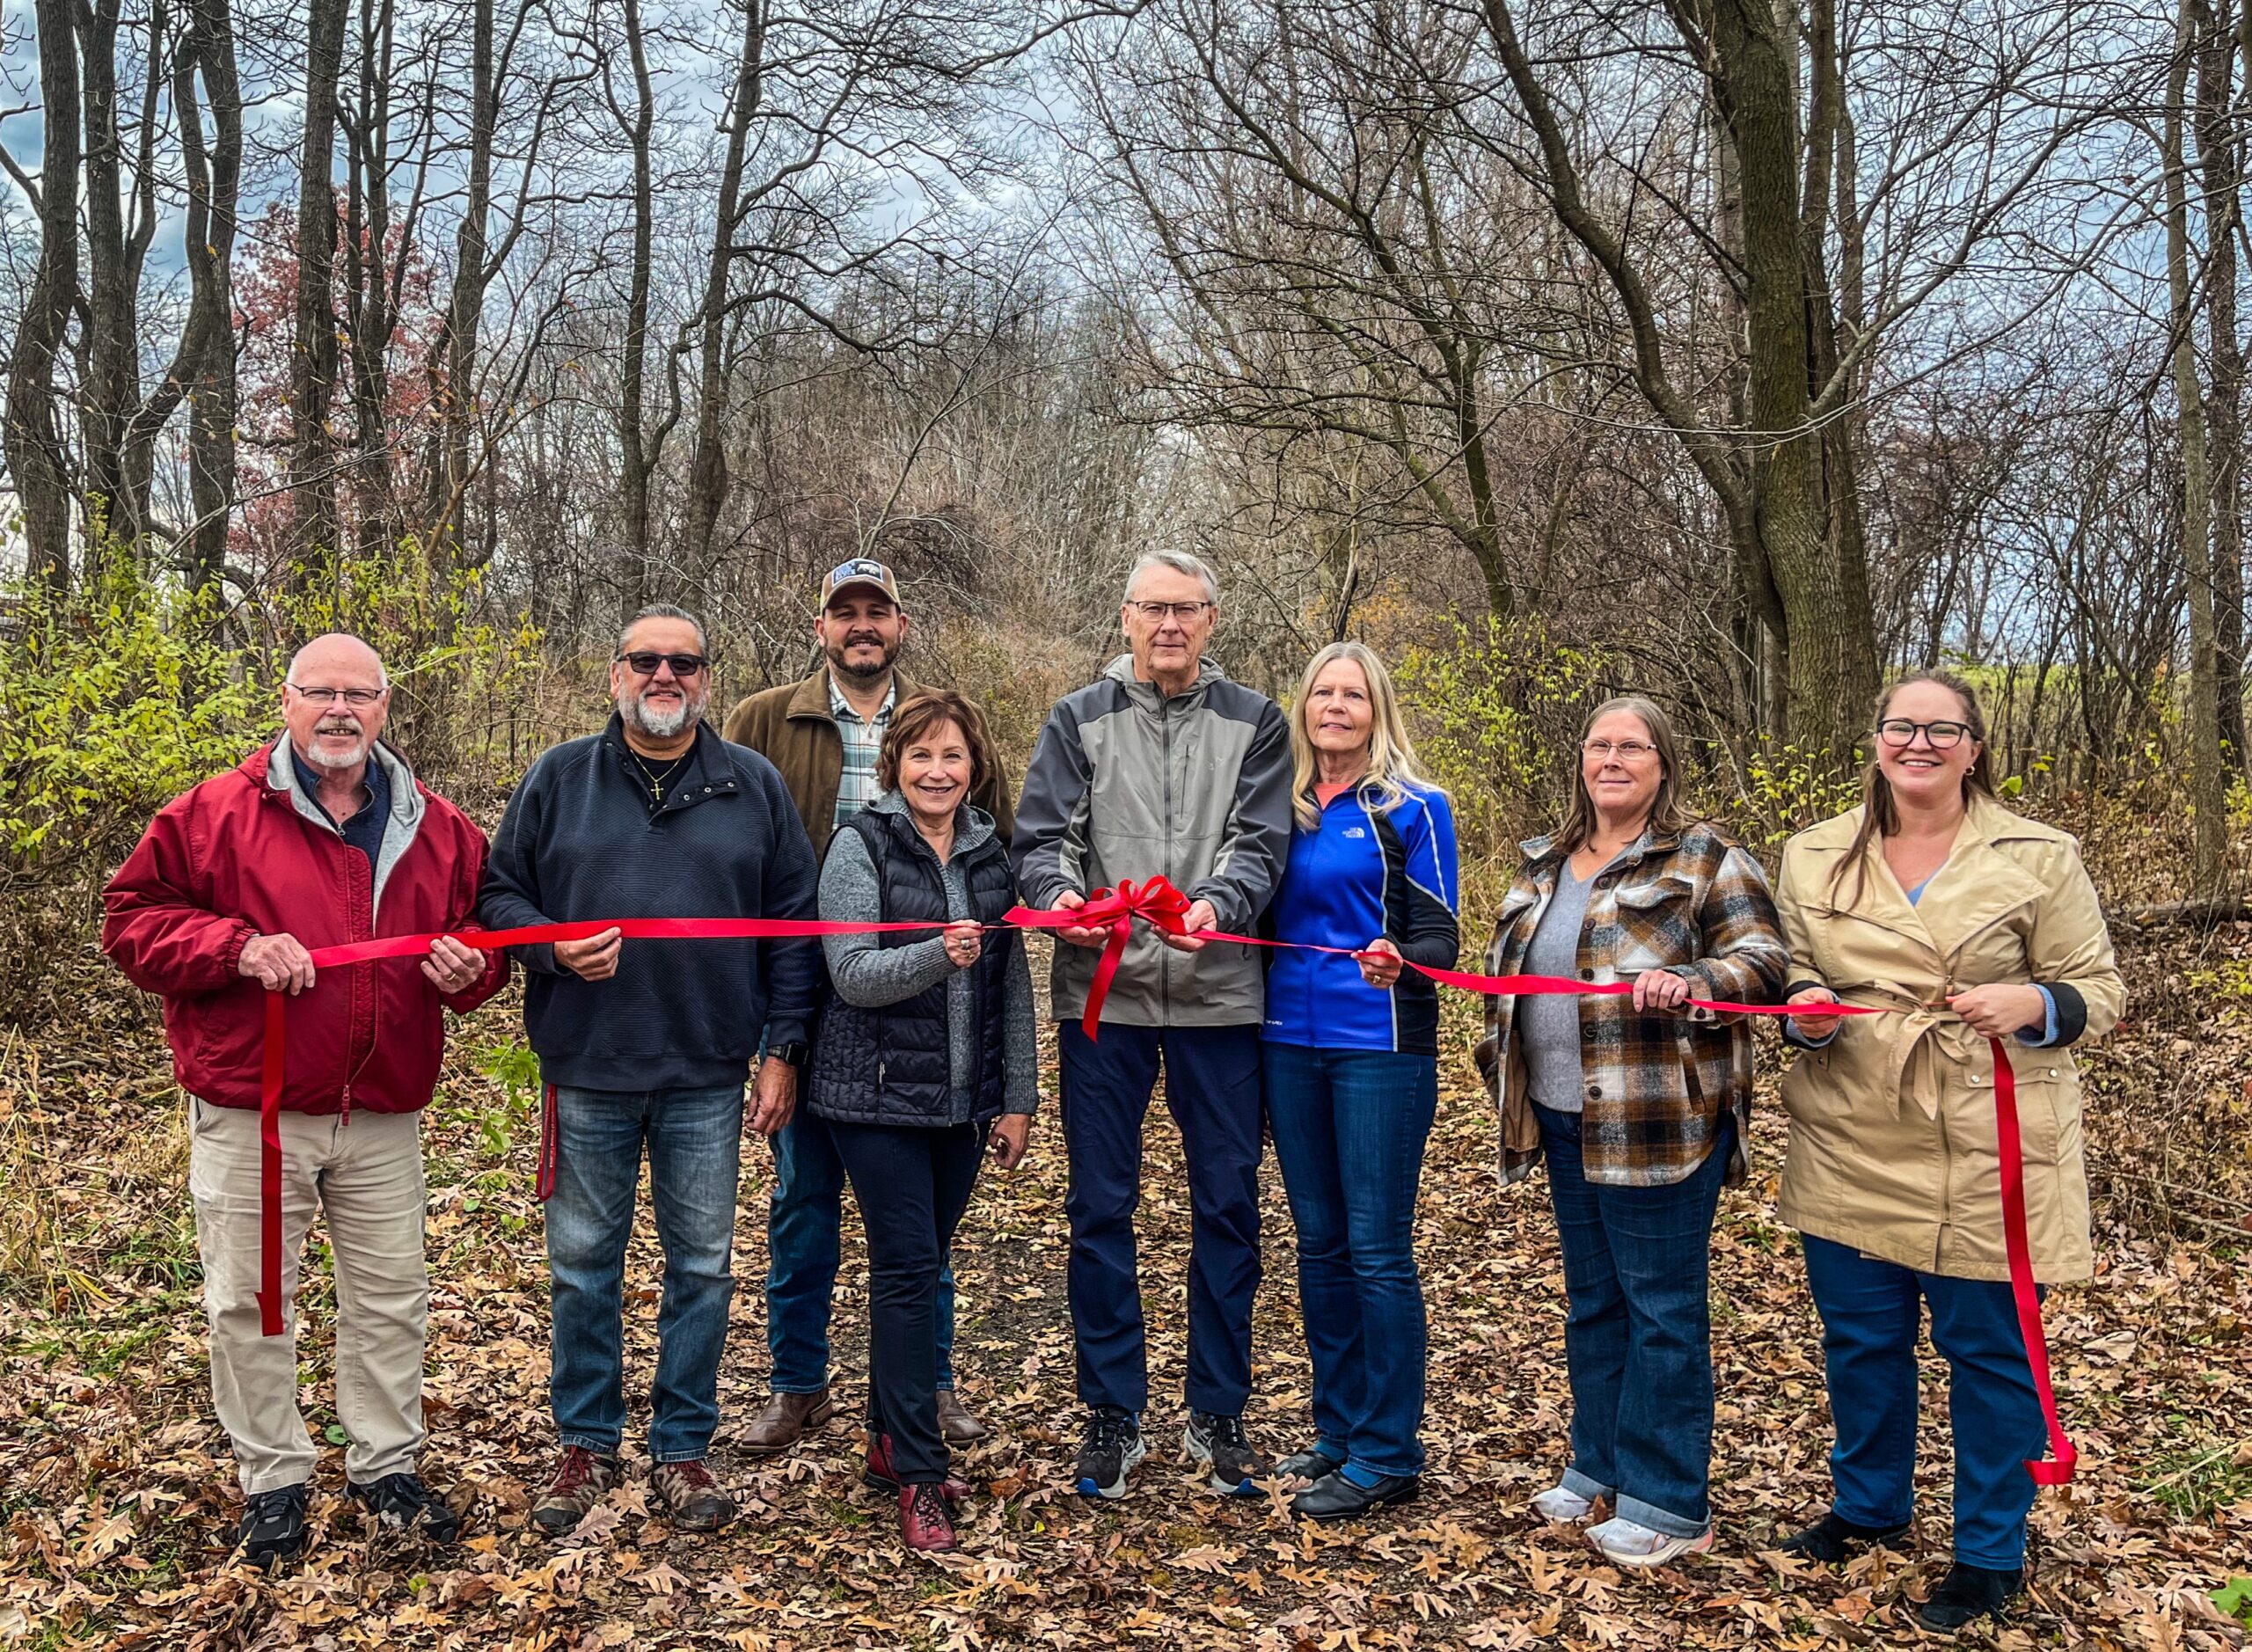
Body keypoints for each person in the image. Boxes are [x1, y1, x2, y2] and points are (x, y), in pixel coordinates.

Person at [101, 633, 509, 1569]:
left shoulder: (439, 826)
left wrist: (468, 970)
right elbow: (131, 923)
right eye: (319, 692)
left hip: (382, 1107)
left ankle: (386, 1466)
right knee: (250, 1301)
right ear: (284, 702)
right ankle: (275, 1479)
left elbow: (484, 939)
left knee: (391, 1299)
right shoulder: (212, 814)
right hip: (256, 1105)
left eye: (357, 695)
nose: (339, 710)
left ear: (385, 708)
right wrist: (233, 948)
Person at [1773, 671, 2124, 1632]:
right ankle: (1868, 1507)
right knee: (1861, 1341)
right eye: (1899, 726)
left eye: (1941, 729)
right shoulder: (1812, 856)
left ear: (1974, 746)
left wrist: (2039, 1003)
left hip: (1986, 1139)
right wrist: (1803, 1014)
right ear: (1875, 739)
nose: (1917, 743)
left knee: (1987, 1351)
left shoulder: (2039, 855)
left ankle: (1987, 1551)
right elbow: (1794, 971)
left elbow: (2101, 986)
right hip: (1852, 1127)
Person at [479, 604, 823, 1538]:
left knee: (702, 1269)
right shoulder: (558, 778)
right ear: (616, 674)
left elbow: (795, 928)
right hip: (585, 1066)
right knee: (583, 1268)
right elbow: (498, 893)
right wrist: (550, 951)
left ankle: (682, 1446)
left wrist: (782, 1051)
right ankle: (585, 1443)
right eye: (645, 661)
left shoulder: (748, 785)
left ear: (706, 679)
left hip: (708, 1071)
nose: (664, 676)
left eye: (683, 663)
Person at [1473, 695, 1787, 1568]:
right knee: (1594, 1302)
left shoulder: (1704, 857)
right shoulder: (1543, 862)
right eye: (1598, 744)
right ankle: (1598, 1465)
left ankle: (1670, 1500)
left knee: (1662, 1310)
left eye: (1632, 746)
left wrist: (1694, 977)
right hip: (1564, 1120)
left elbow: (1765, 965)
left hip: (1659, 1123)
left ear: (1662, 762)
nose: (1611, 758)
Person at [1011, 549, 1293, 1502]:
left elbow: (1261, 840)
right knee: (1100, 1205)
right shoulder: (1075, 719)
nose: (1168, 625)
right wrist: (1059, 896)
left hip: (1220, 998)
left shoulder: (1255, 720)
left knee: (1225, 1202)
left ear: (1212, 619)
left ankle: (1216, 1408)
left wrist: (1219, 902)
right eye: (1152, 608)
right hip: (1104, 997)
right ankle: (1112, 1411)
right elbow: (1041, 837)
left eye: (1186, 609)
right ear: (1124, 617)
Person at [722, 558, 1013, 1453]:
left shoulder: (942, 725)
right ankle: (796, 1379)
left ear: (900, 625)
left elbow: (985, 854)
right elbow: (740, 866)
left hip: (927, 1011)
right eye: (844, 612)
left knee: (920, 1224)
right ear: (821, 628)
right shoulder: (763, 720)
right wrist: (773, 1029)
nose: (861, 626)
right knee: (805, 1197)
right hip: (807, 988)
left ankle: (929, 1379)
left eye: (875, 612)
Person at [808, 691, 1038, 1552]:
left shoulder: (990, 855)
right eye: (920, 757)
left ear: (973, 767)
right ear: (894, 766)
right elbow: (851, 973)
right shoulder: (861, 846)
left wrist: (1016, 1098)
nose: (937, 772)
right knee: (907, 1271)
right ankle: (916, 1472)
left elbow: (1010, 983)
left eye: (952, 757)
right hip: (871, 1099)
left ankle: (884, 1437)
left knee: (921, 1265)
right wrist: (937, 951)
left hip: (959, 1105)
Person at [1261, 642, 1459, 1522]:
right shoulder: (1281, 805)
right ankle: (1338, 1430)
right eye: (1322, 693)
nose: (1335, 707)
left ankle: (1389, 1451)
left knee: (1377, 1250)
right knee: (1318, 1243)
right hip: (1284, 1045)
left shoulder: (1414, 806)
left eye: (1353, 695)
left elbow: (1442, 940)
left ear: (1376, 710)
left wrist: (1400, 961)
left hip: (1378, 1047)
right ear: (1302, 707)